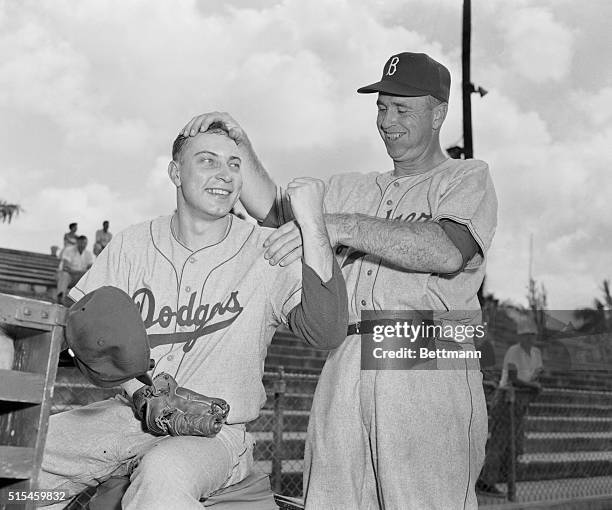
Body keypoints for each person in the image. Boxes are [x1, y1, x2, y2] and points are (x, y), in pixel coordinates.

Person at [182, 51, 498, 509]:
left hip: (428, 344)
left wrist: (340, 225)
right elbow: (277, 214)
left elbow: (447, 250)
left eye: (402, 108)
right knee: (333, 500)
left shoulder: (466, 175)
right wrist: (241, 148)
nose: (387, 120)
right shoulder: (353, 185)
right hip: (349, 350)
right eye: (381, 106)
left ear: (439, 113)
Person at [39, 123, 347, 510]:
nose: (225, 174)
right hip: (127, 418)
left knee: (164, 473)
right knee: (25, 454)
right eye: (208, 161)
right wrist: (140, 393)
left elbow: (327, 331)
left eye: (234, 164)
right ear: (175, 174)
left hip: (215, 435)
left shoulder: (266, 251)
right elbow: (81, 325)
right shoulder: (132, 244)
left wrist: (314, 226)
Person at [476, 316, 543, 497]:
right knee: (498, 443)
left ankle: (504, 479)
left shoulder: (536, 353)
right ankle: (485, 482)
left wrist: (532, 386)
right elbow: (514, 378)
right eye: (525, 335)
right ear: (520, 337)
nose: (529, 338)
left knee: (517, 445)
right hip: (506, 400)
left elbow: (537, 376)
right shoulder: (514, 351)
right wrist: (532, 387)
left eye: (532, 335)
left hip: (519, 402)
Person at [56, 235, 94, 304]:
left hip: (78, 278)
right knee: (65, 274)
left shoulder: (88, 254)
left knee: (90, 277)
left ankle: (86, 302)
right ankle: (60, 297)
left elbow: (91, 270)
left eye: (84, 243)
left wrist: (74, 271)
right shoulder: (69, 250)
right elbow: (65, 267)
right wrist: (81, 272)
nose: (82, 245)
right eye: (81, 243)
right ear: (77, 242)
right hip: (68, 277)